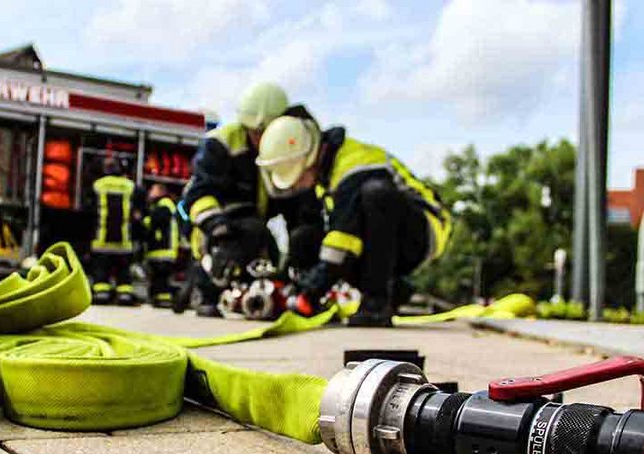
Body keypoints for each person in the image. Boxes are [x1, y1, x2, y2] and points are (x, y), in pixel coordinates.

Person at [255, 116, 452, 327]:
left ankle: (376, 304)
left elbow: (343, 241)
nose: (297, 183)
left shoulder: (354, 165)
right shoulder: (325, 173)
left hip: (424, 231)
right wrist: (293, 286)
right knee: (305, 238)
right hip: (380, 236)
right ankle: (394, 289)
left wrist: (313, 288)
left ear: (307, 158)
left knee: (375, 195)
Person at [182, 82, 318, 317]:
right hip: (212, 227)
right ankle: (205, 288)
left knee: (272, 257)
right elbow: (198, 196)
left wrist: (301, 255)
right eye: (257, 133)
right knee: (243, 237)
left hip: (255, 228)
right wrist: (217, 228)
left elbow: (295, 208)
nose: (261, 139)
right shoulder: (221, 145)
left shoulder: (284, 149)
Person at [87, 158, 146, 306]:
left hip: (101, 240)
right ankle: (125, 295)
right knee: (123, 272)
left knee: (101, 271)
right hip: (124, 241)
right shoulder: (130, 186)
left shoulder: (97, 185)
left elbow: (89, 210)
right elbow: (142, 204)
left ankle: (101, 294)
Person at [141, 184, 181, 308]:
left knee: (160, 278)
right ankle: (161, 298)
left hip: (161, 250)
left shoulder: (163, 206)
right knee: (160, 278)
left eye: (152, 190)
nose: (149, 193)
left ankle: (163, 299)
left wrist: (142, 221)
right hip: (166, 250)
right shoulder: (167, 205)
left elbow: (153, 223)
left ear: (160, 192)